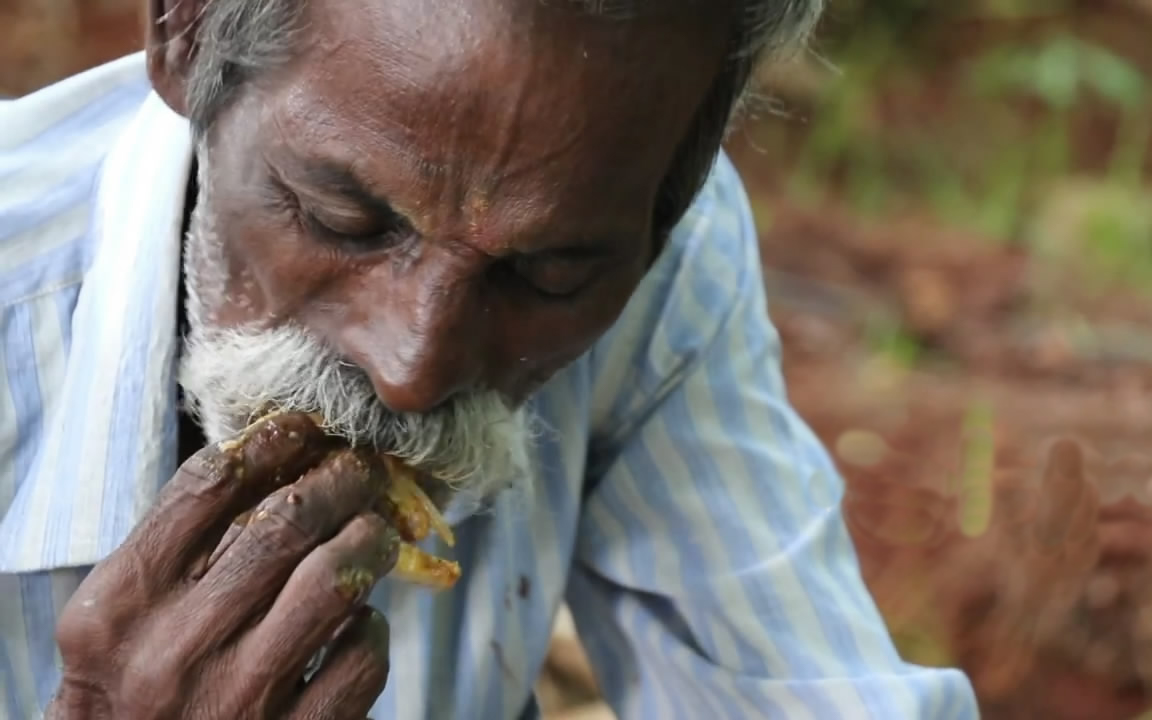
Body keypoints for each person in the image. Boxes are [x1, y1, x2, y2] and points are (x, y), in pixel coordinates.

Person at [0, 0, 980, 717]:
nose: (415, 370)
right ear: (187, 31)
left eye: (546, 278)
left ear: (672, 193)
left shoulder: (645, 237)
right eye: (346, 220)